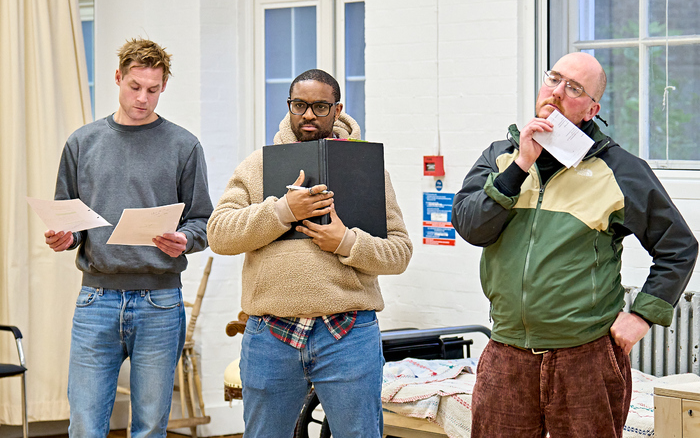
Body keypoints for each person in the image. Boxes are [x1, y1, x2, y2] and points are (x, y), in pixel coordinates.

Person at [451, 52, 698, 438]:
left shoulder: (619, 169)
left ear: (591, 109)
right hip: (507, 353)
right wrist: (519, 167)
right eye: (553, 79)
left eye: (574, 88)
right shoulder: (500, 157)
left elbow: (678, 246)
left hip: (586, 358)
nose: (557, 92)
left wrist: (642, 316)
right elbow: (470, 227)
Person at [207, 69, 412, 437]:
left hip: (348, 334)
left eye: (320, 107)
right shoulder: (257, 166)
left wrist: (346, 242)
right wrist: (282, 211)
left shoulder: (368, 168)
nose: (308, 115)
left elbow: (399, 252)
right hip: (271, 334)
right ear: (289, 106)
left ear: (337, 109)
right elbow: (219, 235)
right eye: (299, 105)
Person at [44, 38, 213, 437]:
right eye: (135, 87)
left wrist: (185, 240)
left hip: (160, 301)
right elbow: (71, 222)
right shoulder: (82, 143)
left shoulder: (184, 146)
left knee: (151, 425)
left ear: (164, 86)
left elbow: (203, 222)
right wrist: (64, 239)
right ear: (118, 78)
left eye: (153, 90)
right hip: (95, 300)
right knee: (85, 424)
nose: (143, 98)